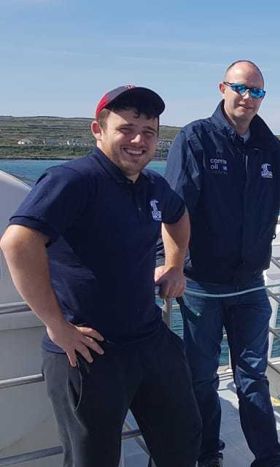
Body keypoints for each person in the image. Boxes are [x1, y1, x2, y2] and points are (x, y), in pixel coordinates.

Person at [164, 60, 280, 466]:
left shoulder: (271, 148)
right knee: (201, 379)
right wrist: (166, 263)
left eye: (257, 92)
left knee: (252, 378)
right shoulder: (196, 139)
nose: (248, 98)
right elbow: (174, 206)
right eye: (241, 89)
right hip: (202, 286)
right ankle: (207, 455)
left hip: (251, 284)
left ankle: (268, 458)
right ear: (222, 88)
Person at [0, 85, 200, 465]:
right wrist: (57, 326)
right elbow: (17, 244)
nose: (139, 140)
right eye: (126, 129)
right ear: (98, 130)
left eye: (149, 132)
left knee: (182, 444)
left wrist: (175, 265)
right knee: (92, 460)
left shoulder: (154, 185)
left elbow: (178, 217)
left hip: (149, 340)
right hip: (88, 352)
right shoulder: (73, 180)